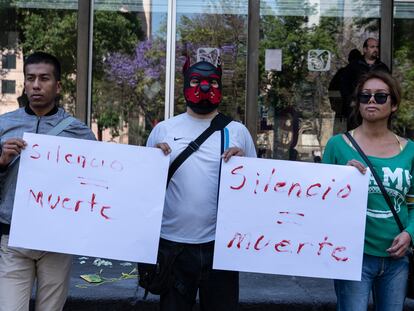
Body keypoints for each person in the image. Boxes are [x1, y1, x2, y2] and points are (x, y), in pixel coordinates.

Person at [146, 59, 256, 311]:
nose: (205, 88)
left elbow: (255, 190)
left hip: (221, 246)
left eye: (212, 82)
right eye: (196, 81)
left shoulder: (238, 131)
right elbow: (145, 188)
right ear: (185, 84)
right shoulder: (163, 130)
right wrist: (153, 161)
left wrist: (243, 167)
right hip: (173, 247)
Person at [0, 52, 96, 311]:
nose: (35, 85)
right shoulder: (4, 125)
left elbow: (97, 181)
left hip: (57, 239)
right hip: (12, 237)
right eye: (30, 78)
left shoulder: (79, 132)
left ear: (58, 85)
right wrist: (2, 161)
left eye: (44, 78)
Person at [323, 70, 414, 311]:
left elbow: (413, 203)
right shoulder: (337, 146)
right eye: (365, 96)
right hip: (352, 256)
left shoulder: (410, 150)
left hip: (397, 260)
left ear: (393, 105)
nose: (372, 100)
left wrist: (410, 234)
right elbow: (320, 201)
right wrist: (341, 179)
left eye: (381, 96)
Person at [340, 38, 390, 130]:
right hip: (356, 108)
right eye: (372, 47)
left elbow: (389, 87)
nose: (375, 49)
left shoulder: (383, 68)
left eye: (377, 47)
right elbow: (344, 85)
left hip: (376, 107)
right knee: (355, 136)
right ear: (365, 49)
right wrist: (350, 101)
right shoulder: (353, 66)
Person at [329, 48, 362, 133]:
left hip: (345, 111)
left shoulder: (342, 73)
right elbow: (332, 89)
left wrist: (335, 106)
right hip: (348, 111)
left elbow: (332, 89)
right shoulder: (363, 73)